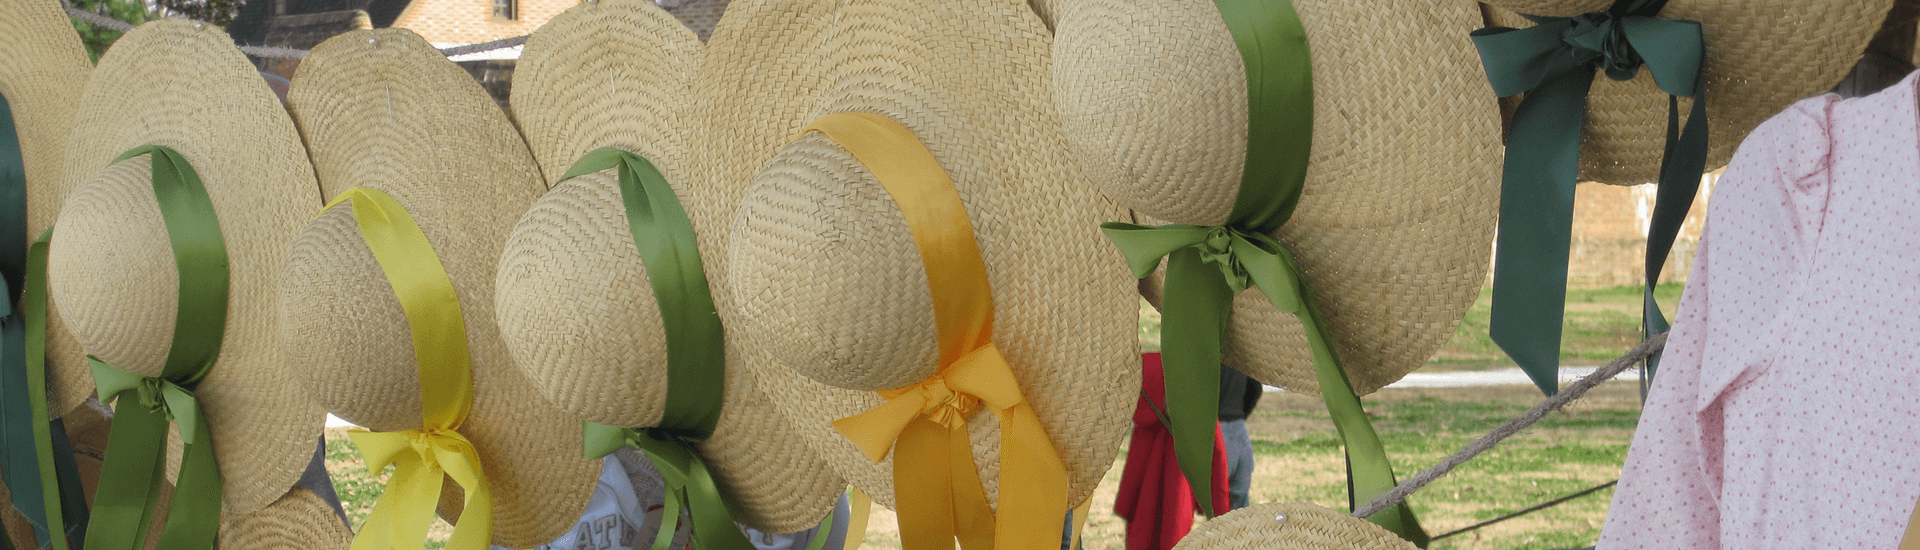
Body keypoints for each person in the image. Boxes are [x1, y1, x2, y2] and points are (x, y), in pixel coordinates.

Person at [1217, 365, 1262, 511]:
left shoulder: (1205, 353)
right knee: (1239, 501)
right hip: (1238, 427)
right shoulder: (1239, 358)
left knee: (1219, 503)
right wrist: (1240, 414)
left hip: (1216, 428)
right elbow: (1255, 388)